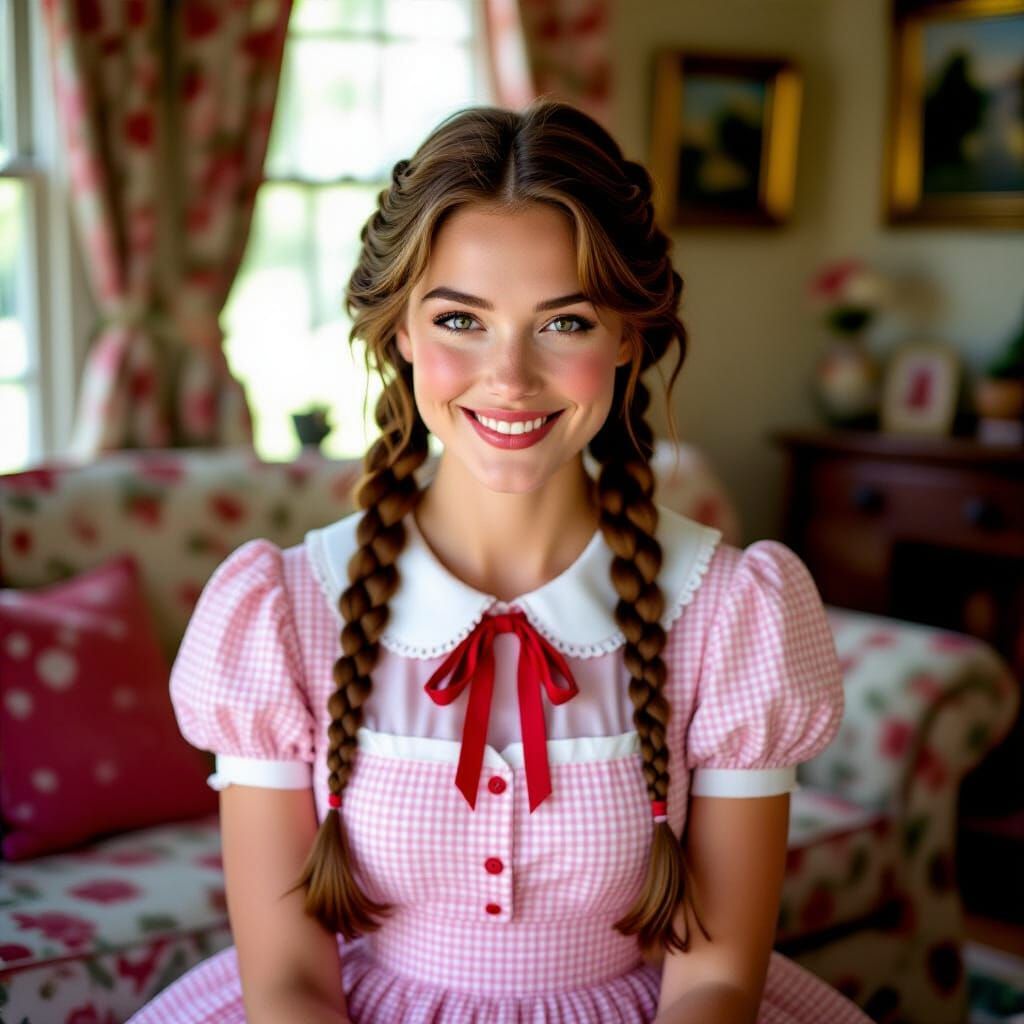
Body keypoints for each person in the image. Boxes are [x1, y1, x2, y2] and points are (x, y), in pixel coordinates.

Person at [128, 100, 871, 1024]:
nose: (509, 376)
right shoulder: (284, 612)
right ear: (400, 333)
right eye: (460, 320)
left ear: (627, 338)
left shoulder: (730, 610)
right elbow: (287, 982)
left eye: (563, 324)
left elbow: (716, 982)